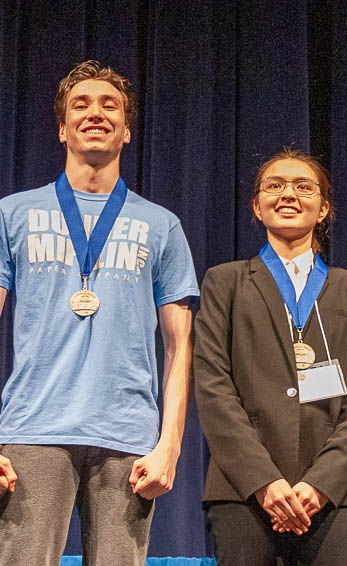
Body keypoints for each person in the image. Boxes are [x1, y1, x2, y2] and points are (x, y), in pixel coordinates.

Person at [0, 60, 199, 565]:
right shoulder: (12, 214)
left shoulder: (162, 225)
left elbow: (180, 347)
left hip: (128, 436)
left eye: (110, 105)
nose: (96, 113)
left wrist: (170, 445)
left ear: (127, 130)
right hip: (32, 430)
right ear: (62, 128)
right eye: (81, 105)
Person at [194, 148, 347, 566]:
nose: (288, 194)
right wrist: (263, 481)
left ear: (324, 209)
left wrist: (320, 483)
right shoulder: (224, 282)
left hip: (335, 494)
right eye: (274, 186)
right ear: (257, 207)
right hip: (242, 491)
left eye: (303, 187)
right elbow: (213, 388)